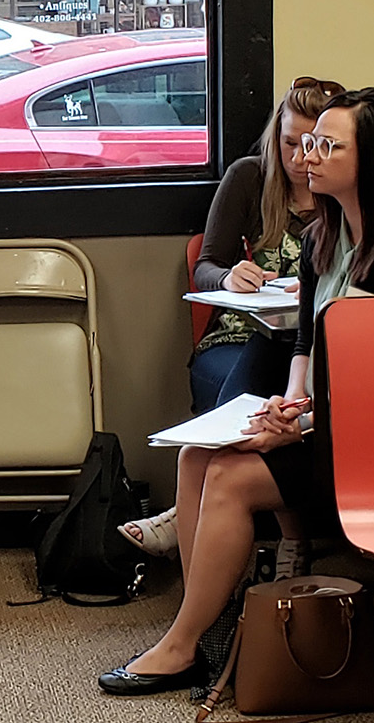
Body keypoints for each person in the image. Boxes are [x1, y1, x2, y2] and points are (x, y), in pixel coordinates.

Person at [99, 87, 374, 694]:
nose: (309, 155)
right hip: (332, 420)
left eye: (329, 145)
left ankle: (183, 646)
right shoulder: (328, 235)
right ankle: (200, 630)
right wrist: (291, 403)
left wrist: (295, 427)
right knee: (199, 455)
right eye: (308, 142)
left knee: (228, 477)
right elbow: (306, 344)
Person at [126, 76, 339, 557]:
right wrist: (227, 278)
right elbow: (205, 265)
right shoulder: (249, 177)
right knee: (265, 371)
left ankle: (200, 515)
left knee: (284, 380)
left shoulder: (343, 192)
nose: (299, 157)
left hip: (313, 341)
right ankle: (278, 542)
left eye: (312, 144)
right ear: (275, 136)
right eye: (288, 143)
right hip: (241, 334)